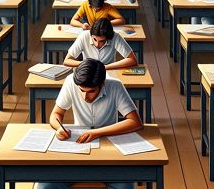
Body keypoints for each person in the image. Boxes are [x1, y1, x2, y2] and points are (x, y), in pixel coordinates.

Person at [35, 59, 142, 189]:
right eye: (81, 90)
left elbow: (135, 122)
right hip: (77, 150)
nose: (85, 97)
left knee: (125, 187)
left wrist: (97, 132)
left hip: (108, 154)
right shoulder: (71, 82)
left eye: (91, 91)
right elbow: (55, 115)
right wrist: (59, 128)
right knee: (44, 186)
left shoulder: (115, 86)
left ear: (102, 84)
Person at [64, 19, 137, 70]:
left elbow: (133, 60)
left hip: (108, 71)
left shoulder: (115, 37)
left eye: (102, 41)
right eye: (94, 39)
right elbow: (67, 61)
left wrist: (105, 67)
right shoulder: (84, 36)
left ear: (108, 38)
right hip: (88, 70)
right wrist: (87, 64)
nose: (97, 44)